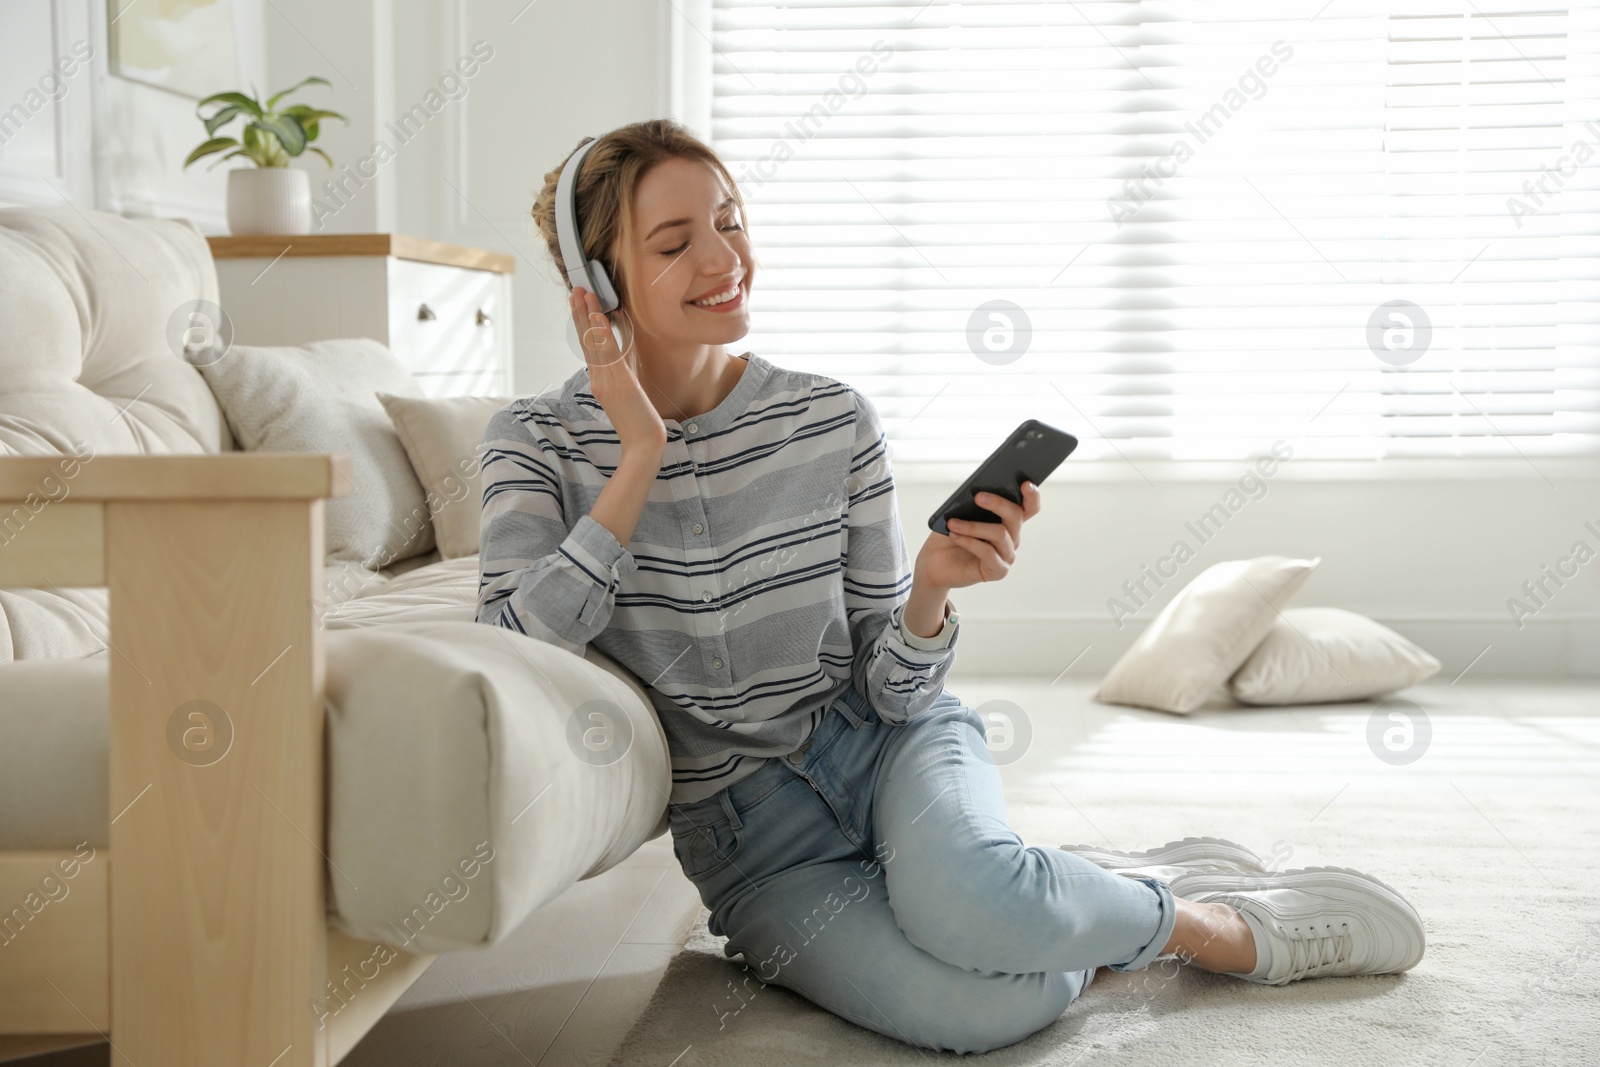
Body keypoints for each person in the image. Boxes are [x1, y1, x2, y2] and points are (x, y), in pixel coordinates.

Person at [477, 119, 1425, 1054]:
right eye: (676, 243)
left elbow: (897, 687)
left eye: (730, 220)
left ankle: (1212, 924)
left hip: (888, 747)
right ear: (597, 287)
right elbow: (515, 635)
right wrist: (637, 453)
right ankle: (1054, 894)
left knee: (973, 901)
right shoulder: (534, 441)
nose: (724, 257)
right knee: (985, 1010)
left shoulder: (830, 417)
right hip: (751, 844)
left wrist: (928, 589)